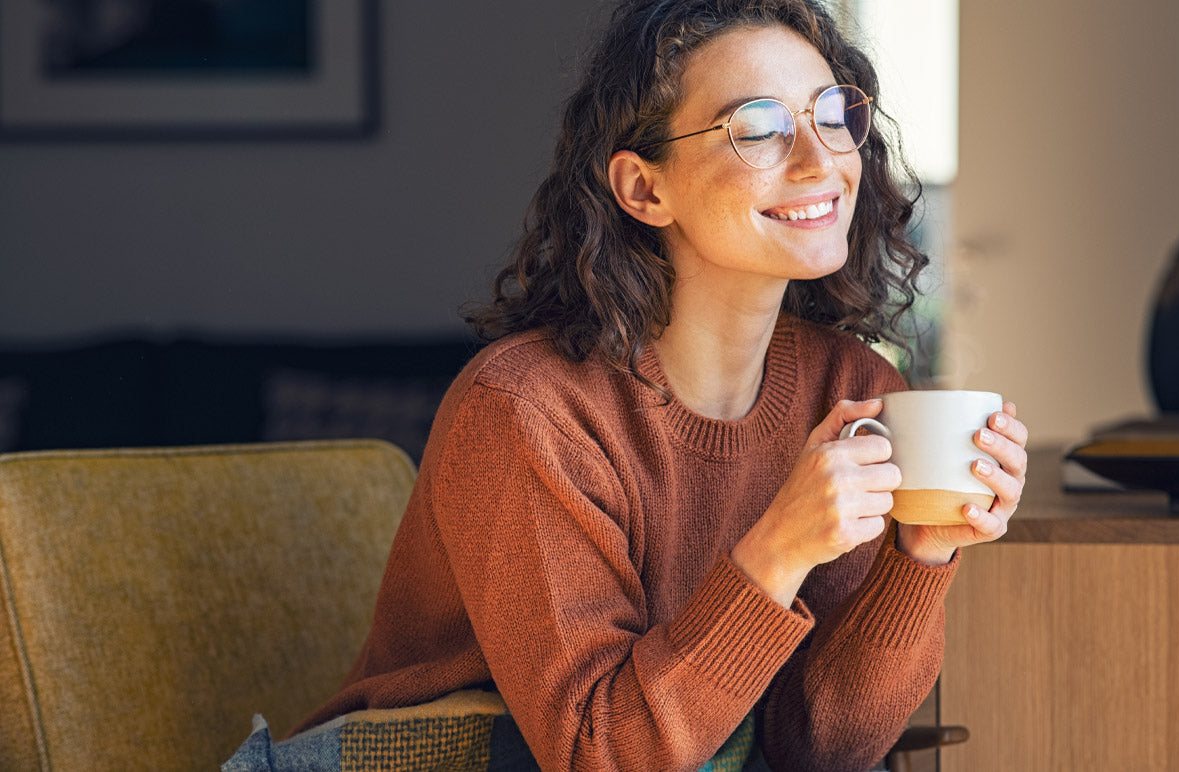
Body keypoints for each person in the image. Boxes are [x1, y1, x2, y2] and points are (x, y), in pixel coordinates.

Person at [226, 0, 1028, 770]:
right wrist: (777, 549)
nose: (821, 161)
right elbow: (596, 755)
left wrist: (919, 558)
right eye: (758, 129)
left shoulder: (852, 388)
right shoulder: (526, 411)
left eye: (831, 114)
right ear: (646, 189)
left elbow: (816, 750)